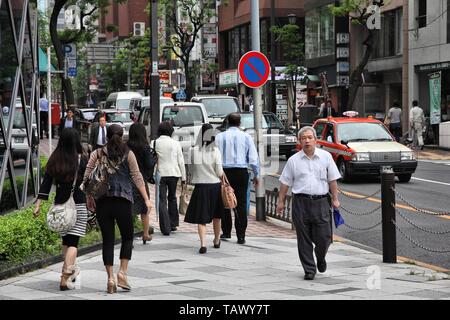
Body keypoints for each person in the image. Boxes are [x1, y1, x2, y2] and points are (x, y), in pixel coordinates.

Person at [83, 124, 152, 294]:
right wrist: (146, 199)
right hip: (123, 202)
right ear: (122, 136)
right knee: (127, 238)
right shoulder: (128, 154)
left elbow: (86, 178)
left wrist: (89, 198)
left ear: (106, 137)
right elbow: (137, 177)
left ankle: (110, 279)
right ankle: (122, 273)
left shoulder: (96, 153)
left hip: (103, 203)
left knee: (107, 241)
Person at [276, 126, 341, 281]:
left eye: (309, 138)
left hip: (321, 202)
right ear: (299, 141)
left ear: (315, 140)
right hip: (301, 202)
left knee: (324, 238)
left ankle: (320, 257)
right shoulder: (293, 160)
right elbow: (285, 183)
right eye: (303, 138)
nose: (307, 141)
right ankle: (309, 269)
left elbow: (332, 179)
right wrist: (281, 201)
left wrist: (335, 199)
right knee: (303, 238)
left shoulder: (326, 157)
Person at [33, 128, 88, 291]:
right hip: (77, 203)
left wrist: (38, 204)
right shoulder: (82, 159)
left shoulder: (55, 159)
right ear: (76, 141)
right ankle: (65, 276)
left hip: (60, 206)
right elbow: (89, 182)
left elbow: (46, 183)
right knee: (74, 242)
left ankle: (70, 270)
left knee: (66, 240)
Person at [215, 113, 259, 245]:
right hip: (241, 172)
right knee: (241, 203)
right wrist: (257, 174)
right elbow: (253, 158)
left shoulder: (219, 137)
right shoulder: (246, 137)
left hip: (224, 172)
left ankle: (226, 231)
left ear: (227, 122)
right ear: (239, 123)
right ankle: (241, 236)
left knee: (225, 200)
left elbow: (214, 155)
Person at [184, 123, 224, 254]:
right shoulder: (215, 151)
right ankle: (217, 239)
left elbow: (190, 169)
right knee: (217, 216)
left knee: (202, 218)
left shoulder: (192, 150)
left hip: (200, 187)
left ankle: (203, 244)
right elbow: (219, 172)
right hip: (215, 187)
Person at [154, 121, 186, 235]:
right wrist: (184, 177)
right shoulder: (175, 143)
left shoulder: (154, 143)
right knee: (172, 198)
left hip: (161, 173)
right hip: (174, 173)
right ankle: (173, 224)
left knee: (162, 200)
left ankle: (165, 227)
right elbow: (181, 161)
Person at [127, 122, 154, 244]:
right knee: (144, 208)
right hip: (141, 180)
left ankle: (129, 236)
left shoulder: (126, 146)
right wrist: (155, 159)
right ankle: (146, 234)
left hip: (128, 179)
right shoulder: (145, 147)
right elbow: (149, 163)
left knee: (130, 209)